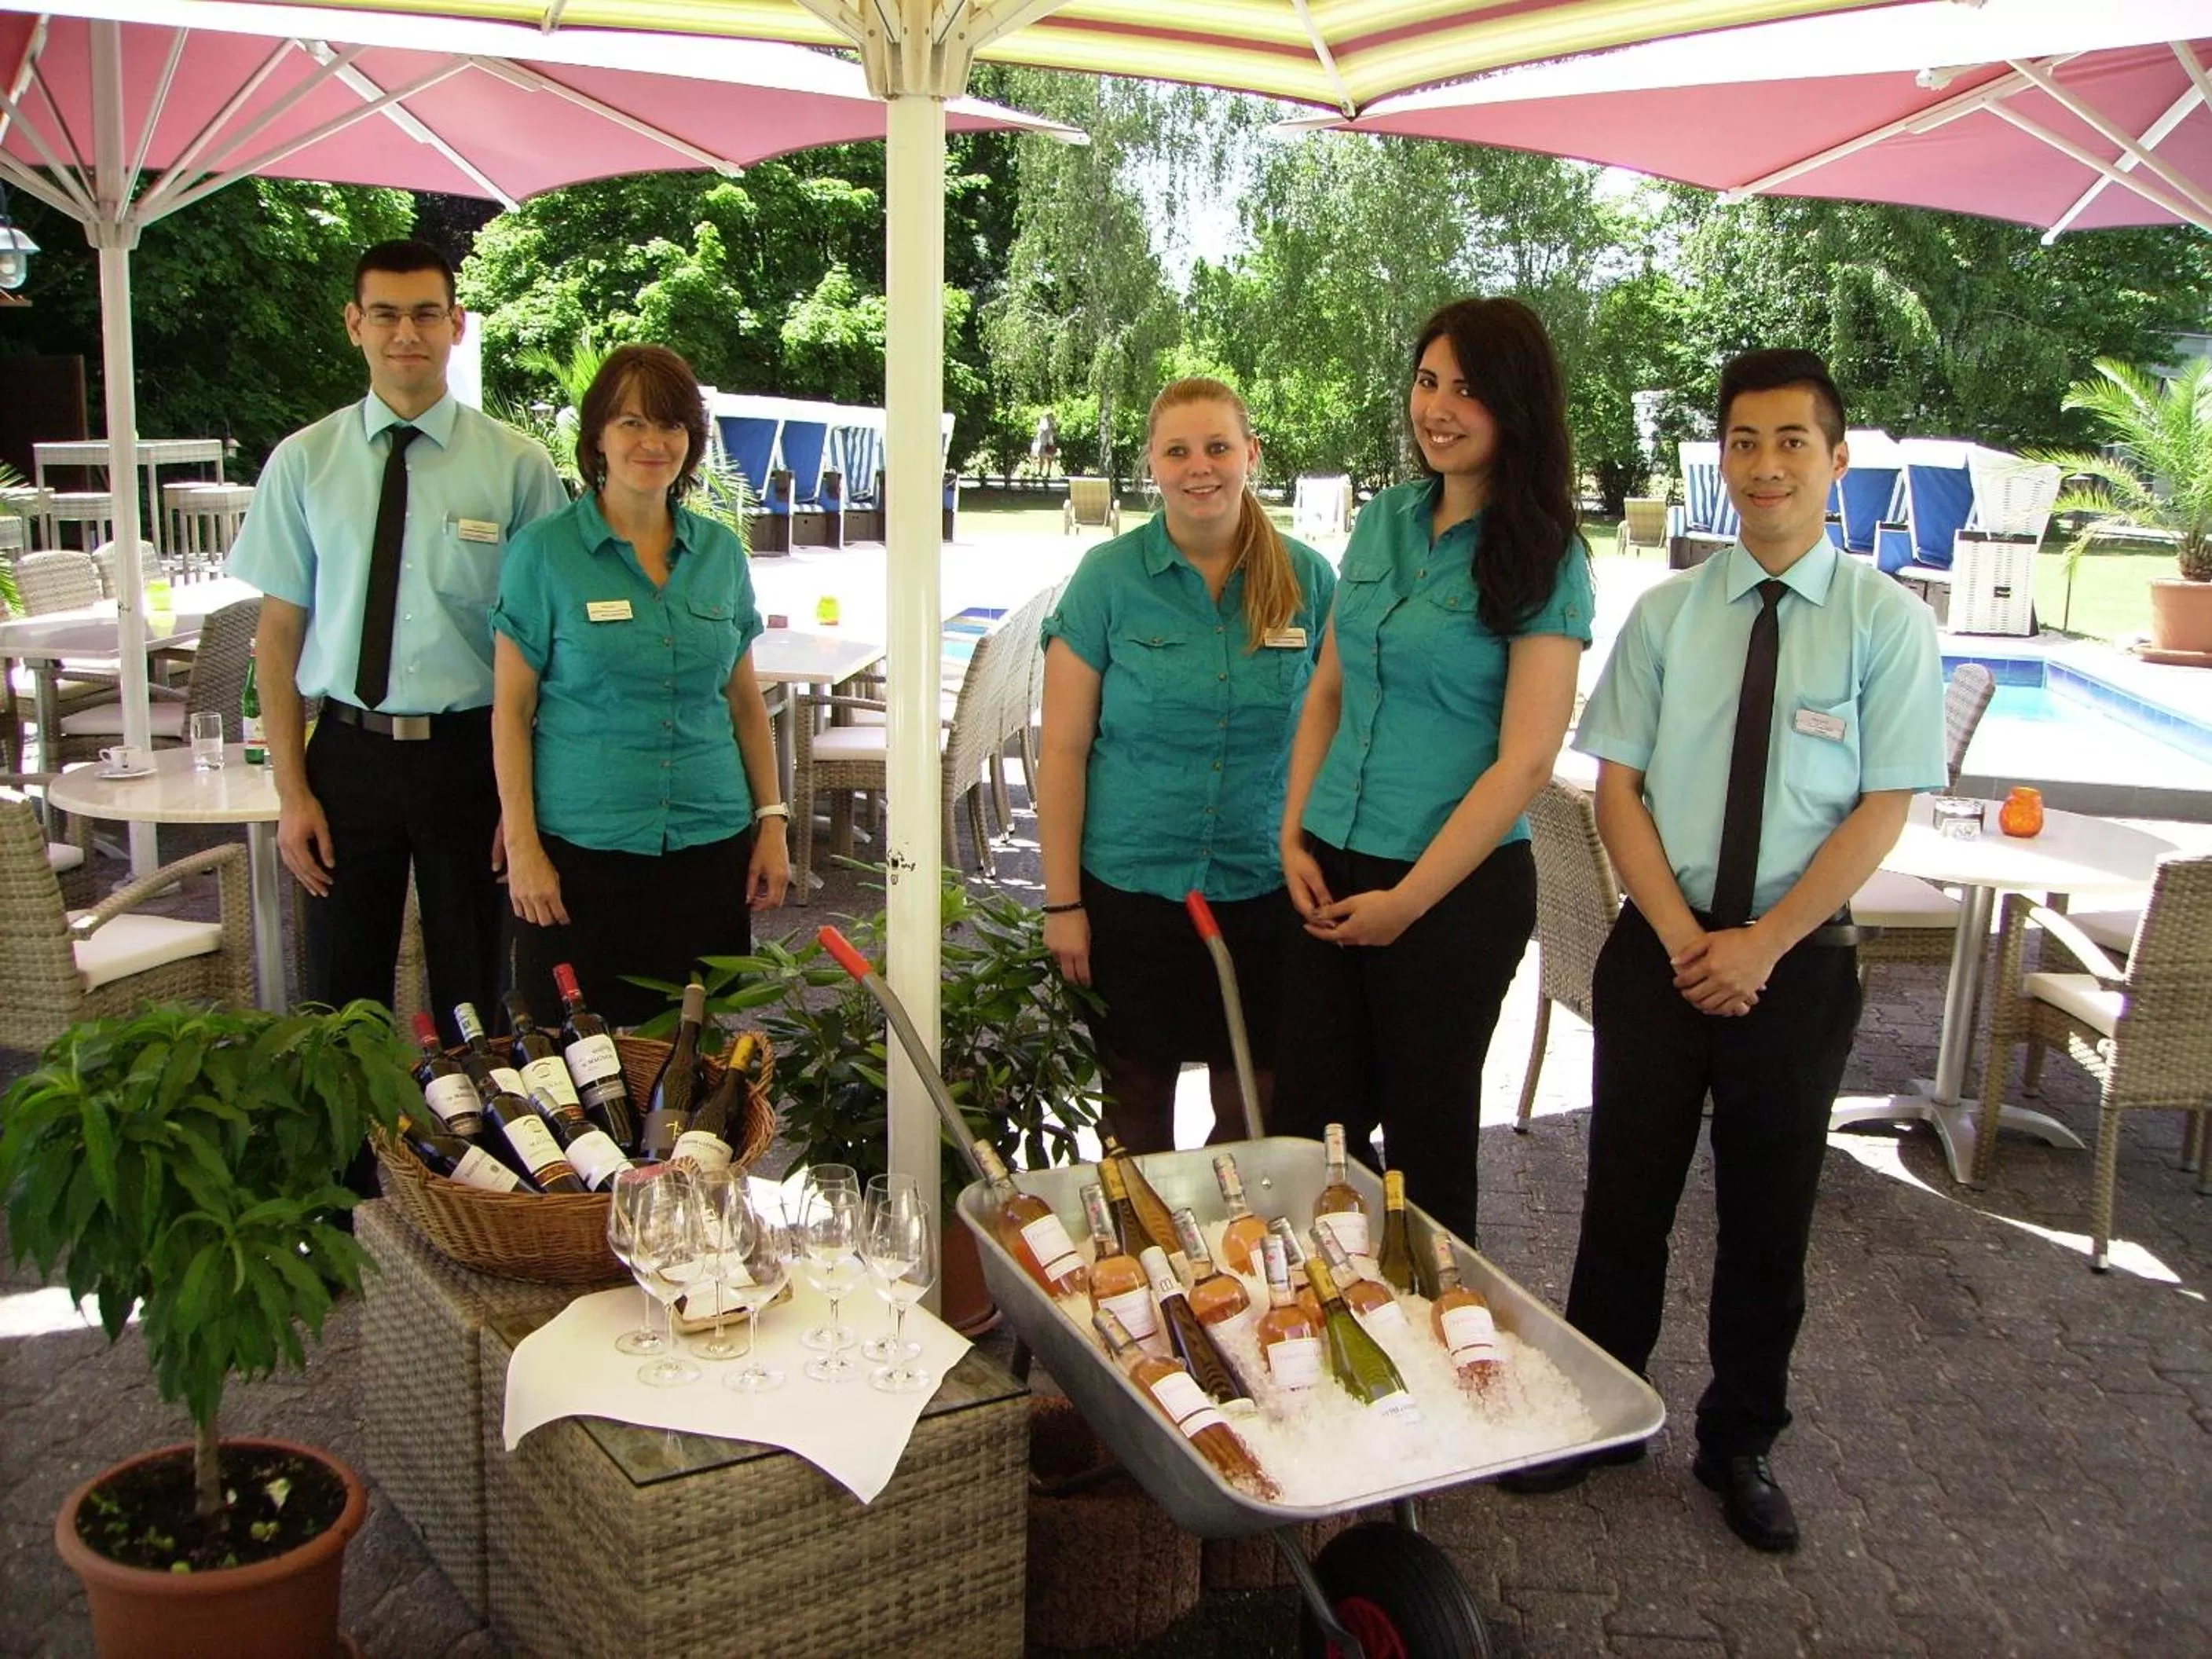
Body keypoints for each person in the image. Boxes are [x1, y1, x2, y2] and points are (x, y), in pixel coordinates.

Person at [1501, 350, 1944, 1554]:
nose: (1765, 466)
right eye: (1744, 442)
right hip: (1664, 949)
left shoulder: (1887, 626)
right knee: (1622, 1200)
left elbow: (1882, 807)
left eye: (1792, 441)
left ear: (1836, 460)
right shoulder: (1665, 615)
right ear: (1722, 460)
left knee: (1768, 1216)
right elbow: (1620, 791)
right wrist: (1694, 939)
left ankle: (1739, 1441)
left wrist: (1763, 945)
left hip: (1797, 967)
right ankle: (1602, 1411)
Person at [1269, 298, 1593, 1249]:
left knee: (1423, 1148)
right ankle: (1318, 1331)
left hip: (1453, 892)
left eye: (1467, 389)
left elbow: (1526, 759)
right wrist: (1293, 831)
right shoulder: (1385, 521)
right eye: (1426, 381)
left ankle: (1435, 1342)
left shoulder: (1543, 556)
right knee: (1308, 1133)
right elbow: (1325, 690)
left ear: (1515, 407)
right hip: (1331, 860)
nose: (1438, 408)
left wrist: (1405, 902)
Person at [229, 239, 566, 1049]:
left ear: (455, 325)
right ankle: (346, 1171)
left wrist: (522, 808)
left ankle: (469, 1169)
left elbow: (549, 649)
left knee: (478, 996)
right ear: (355, 325)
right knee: (339, 999)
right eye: (385, 314)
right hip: (347, 757)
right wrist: (292, 792)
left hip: (471, 757)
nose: (405, 332)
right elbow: (276, 642)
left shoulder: (516, 469)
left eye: (424, 314)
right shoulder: (303, 463)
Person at [1038, 377, 1335, 1152]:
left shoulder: (1309, 582)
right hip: (1133, 893)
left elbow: (1341, 731)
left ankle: (1228, 1264)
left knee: (1254, 1114)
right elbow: (1062, 752)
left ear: (1250, 455)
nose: (1198, 467)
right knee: (1134, 1113)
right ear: (1152, 465)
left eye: (1216, 447)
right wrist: (1061, 902)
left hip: (1264, 889)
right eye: (1177, 450)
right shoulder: (1107, 581)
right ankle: (1145, 1270)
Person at [492, 343, 789, 1030]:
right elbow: (512, 710)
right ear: (597, 436)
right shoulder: (544, 553)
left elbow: (745, 703)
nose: (653, 442)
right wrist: (524, 844)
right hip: (581, 854)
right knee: (576, 1067)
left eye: (672, 425)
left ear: (692, 440)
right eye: (631, 423)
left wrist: (771, 824)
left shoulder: (719, 554)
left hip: (707, 847)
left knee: (696, 1065)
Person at [1031, 410, 1060, 481]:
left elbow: (1054, 434)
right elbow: (1040, 432)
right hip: (1043, 443)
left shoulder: (1053, 425)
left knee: (1049, 459)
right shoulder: (1043, 424)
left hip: (1049, 443)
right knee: (1041, 458)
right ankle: (1040, 472)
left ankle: (1048, 472)